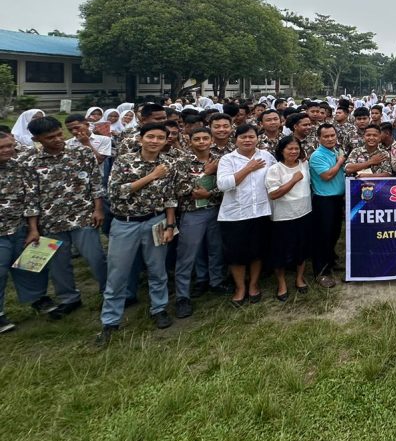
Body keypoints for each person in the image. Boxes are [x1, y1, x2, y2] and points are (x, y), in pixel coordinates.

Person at [96, 122, 179, 344]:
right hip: (125, 223)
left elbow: (170, 197)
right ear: (140, 139)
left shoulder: (168, 164)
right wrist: (151, 176)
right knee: (118, 273)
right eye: (150, 137)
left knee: (157, 268)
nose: (155, 141)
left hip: (156, 220)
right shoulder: (124, 161)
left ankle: (159, 308)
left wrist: (170, 225)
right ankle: (110, 320)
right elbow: (116, 192)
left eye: (160, 138)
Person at [23, 115, 107, 318]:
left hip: (83, 215)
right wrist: (33, 228)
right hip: (50, 221)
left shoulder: (81, 153)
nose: (58, 139)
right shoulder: (30, 161)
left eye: (60, 134)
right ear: (37, 139)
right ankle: (69, 298)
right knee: (59, 265)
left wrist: (98, 209)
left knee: (95, 258)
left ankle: (108, 291)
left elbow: (95, 184)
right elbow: (31, 196)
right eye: (51, 137)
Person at [217, 124, 276, 306]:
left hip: (260, 212)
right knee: (236, 254)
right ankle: (240, 287)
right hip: (235, 215)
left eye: (251, 137)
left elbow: (276, 175)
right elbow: (223, 185)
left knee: (257, 251)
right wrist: (248, 168)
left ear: (257, 138)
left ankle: (253, 284)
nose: (248, 140)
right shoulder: (228, 159)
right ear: (236, 140)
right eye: (243, 137)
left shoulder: (266, 156)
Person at [0, 131, 51, 332]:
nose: (7, 150)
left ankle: (37, 298)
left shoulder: (20, 167)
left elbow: (31, 198)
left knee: (30, 265)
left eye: (10, 146)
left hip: (21, 228)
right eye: (2, 148)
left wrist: (33, 228)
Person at [171, 127, 224, 318]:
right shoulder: (182, 161)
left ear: (211, 140)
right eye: (197, 139)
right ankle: (182, 296)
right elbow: (180, 187)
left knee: (215, 249)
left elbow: (225, 184)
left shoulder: (220, 158)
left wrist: (210, 193)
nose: (202, 142)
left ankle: (215, 282)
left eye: (205, 138)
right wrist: (205, 173)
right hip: (193, 212)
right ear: (190, 141)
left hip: (216, 209)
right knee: (188, 254)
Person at [265, 135, 311, 301]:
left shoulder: (304, 164)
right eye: (289, 149)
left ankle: (299, 278)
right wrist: (293, 180)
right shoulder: (274, 169)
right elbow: (274, 193)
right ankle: (282, 283)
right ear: (281, 150)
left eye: (296, 149)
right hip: (283, 217)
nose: (293, 151)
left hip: (304, 213)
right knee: (281, 251)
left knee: (302, 249)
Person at [309, 123, 346, 287]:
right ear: (319, 138)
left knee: (334, 233)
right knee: (323, 237)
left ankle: (331, 261)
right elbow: (327, 176)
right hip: (324, 200)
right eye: (326, 136)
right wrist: (339, 163)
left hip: (337, 199)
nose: (330, 139)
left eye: (333, 135)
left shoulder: (336, 151)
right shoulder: (317, 156)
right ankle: (321, 272)